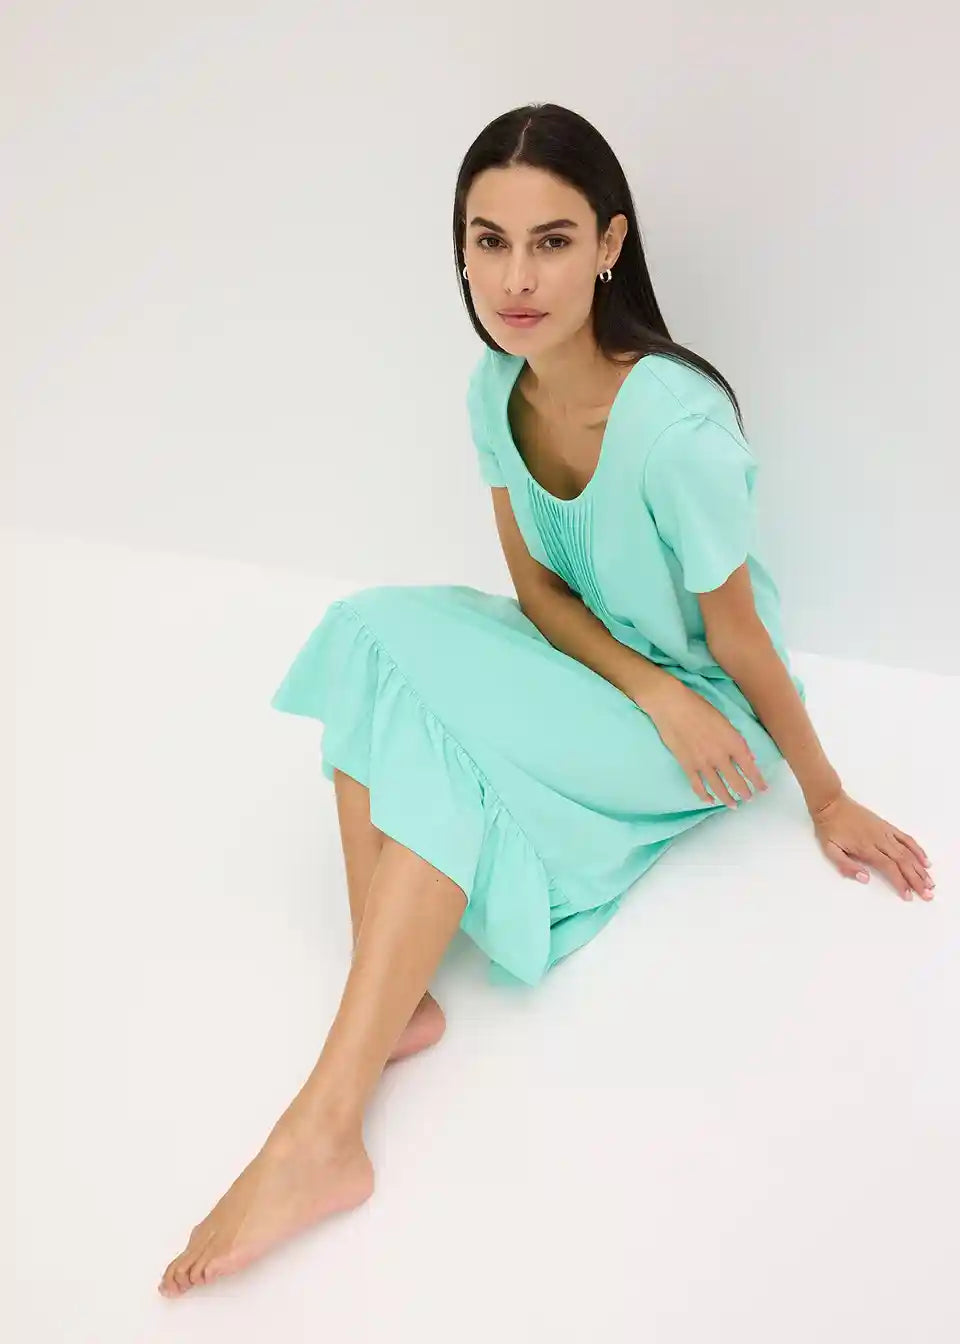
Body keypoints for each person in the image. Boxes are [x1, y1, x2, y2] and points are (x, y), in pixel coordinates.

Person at [158, 102, 934, 1298]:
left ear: (611, 245)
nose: (516, 279)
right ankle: (396, 997)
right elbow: (535, 592)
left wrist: (824, 794)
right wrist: (632, 677)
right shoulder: (495, 390)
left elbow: (739, 639)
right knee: (370, 634)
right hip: (598, 663)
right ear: (462, 252)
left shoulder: (678, 432)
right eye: (490, 242)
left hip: (702, 711)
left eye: (553, 241)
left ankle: (323, 1128)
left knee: (446, 743)